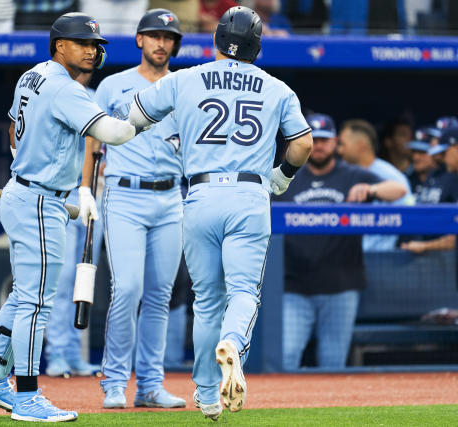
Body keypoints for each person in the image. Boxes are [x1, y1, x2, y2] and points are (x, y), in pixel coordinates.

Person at [128, 6, 314, 420]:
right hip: (248, 194)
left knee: (206, 300)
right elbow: (303, 145)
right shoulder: (277, 88)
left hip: (200, 195)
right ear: (257, 46)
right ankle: (233, 342)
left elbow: (134, 117)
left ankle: (208, 396)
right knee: (243, 291)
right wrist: (280, 179)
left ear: (216, 40)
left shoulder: (184, 78)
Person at [0, 12, 139, 423]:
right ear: (60, 45)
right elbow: (113, 134)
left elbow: (13, 129)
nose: (92, 50)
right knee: (36, 302)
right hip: (39, 202)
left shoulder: (31, 75)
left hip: (24, 193)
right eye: (83, 43)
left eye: (95, 45)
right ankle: (27, 398)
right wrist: (147, 116)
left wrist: (31, 166)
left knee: (23, 296)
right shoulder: (66, 88)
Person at [80, 8, 186, 409]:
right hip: (124, 194)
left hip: (170, 196)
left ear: (175, 44)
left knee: (159, 295)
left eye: (169, 37)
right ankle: (114, 381)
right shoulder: (112, 85)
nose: (162, 43)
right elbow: (92, 145)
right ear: (140, 39)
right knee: (127, 289)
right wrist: (84, 191)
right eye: (154, 35)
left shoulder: (184, 85)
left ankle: (150, 386)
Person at [275, 112, 407, 371]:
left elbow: (399, 190)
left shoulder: (354, 174)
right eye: (315, 139)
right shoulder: (288, 176)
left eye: (325, 139)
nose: (320, 145)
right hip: (294, 287)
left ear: (335, 142)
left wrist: (372, 190)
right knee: (286, 359)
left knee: (333, 364)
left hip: (341, 286)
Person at [43, 70, 104, 379]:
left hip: (94, 198)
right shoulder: (51, 95)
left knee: (84, 280)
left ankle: (75, 356)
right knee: (62, 278)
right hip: (61, 196)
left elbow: (102, 148)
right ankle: (57, 355)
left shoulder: (96, 98)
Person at [337, 119, 413, 251]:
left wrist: (372, 190)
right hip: (352, 258)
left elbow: (408, 221)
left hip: (383, 259)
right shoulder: (346, 173)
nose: (340, 150)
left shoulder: (390, 176)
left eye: (343, 144)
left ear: (360, 146)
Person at [401, 126, 458, 254]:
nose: (442, 159)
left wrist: (426, 246)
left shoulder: (451, 180)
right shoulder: (434, 175)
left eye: (445, 153)